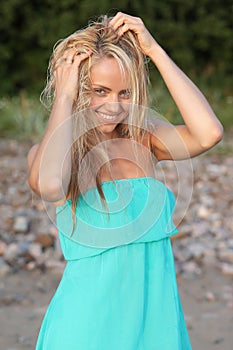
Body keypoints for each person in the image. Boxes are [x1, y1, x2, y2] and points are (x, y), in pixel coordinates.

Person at [27, 12, 223, 350]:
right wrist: (63, 97)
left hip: (156, 327)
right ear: (76, 87)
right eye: (98, 91)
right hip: (86, 331)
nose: (113, 105)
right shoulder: (57, 154)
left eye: (124, 92)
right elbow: (47, 185)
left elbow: (209, 133)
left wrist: (154, 51)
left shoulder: (146, 140)